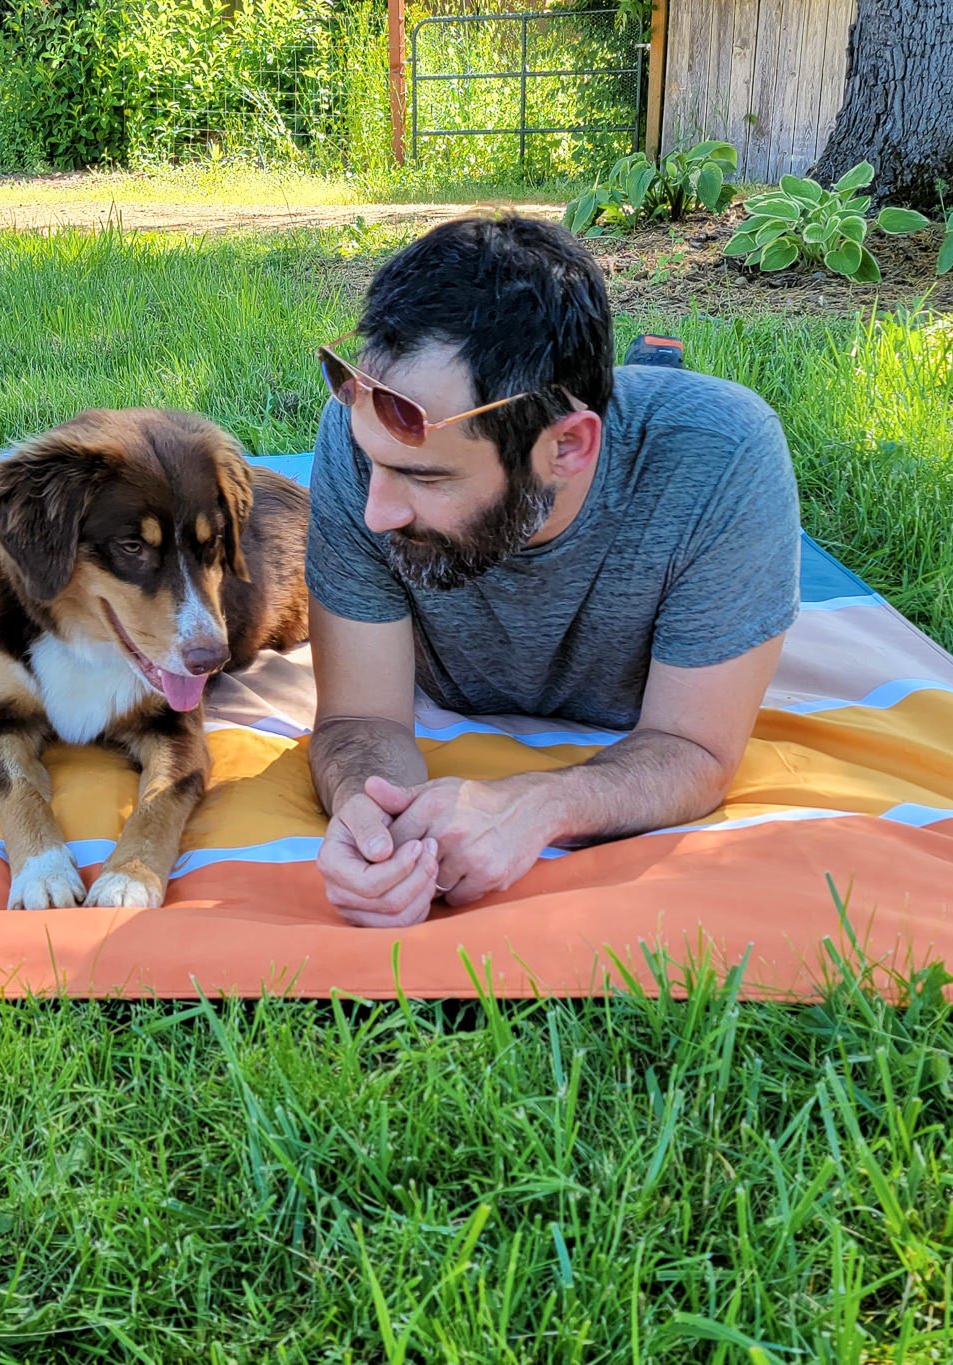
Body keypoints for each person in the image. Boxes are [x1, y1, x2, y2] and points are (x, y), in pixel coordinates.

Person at [306, 212, 801, 928]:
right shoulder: (362, 434)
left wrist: (537, 806)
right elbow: (359, 717)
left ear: (568, 447)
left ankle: (652, 365)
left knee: (655, 408)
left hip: (636, 448)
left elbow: (694, 747)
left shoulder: (726, 460)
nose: (376, 510)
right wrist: (372, 820)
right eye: (373, 463)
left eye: (425, 476)